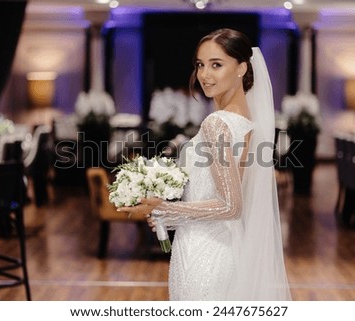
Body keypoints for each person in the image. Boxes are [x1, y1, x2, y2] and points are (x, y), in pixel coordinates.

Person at [119, 28, 291, 300]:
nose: (204, 75)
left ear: (241, 68)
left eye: (216, 65)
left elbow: (230, 205)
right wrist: (171, 214)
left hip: (204, 255)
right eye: (200, 65)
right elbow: (225, 199)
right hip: (226, 245)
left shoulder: (217, 123)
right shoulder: (246, 121)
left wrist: (165, 207)